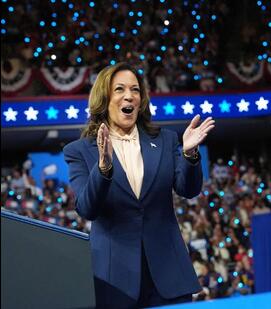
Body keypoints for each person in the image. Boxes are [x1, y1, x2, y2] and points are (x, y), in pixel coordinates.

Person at [64, 62, 215, 308]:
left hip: (169, 274)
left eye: (135, 89)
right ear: (104, 98)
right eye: (120, 89)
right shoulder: (79, 151)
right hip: (115, 280)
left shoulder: (165, 140)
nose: (129, 96)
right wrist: (103, 168)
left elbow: (188, 190)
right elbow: (87, 208)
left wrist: (189, 155)